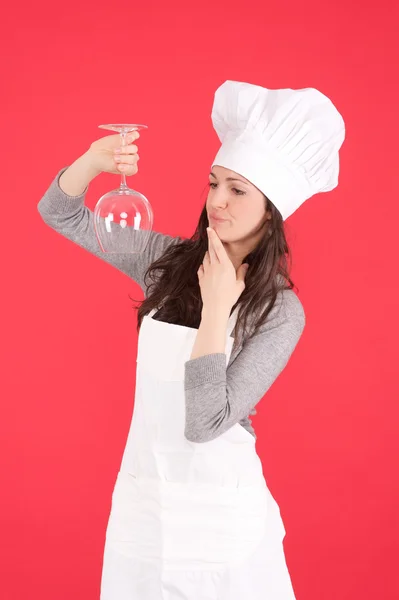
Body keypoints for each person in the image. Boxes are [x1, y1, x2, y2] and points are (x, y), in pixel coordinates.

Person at [37, 80, 345, 599]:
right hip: (144, 511)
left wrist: (219, 307)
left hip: (222, 527)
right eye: (213, 183)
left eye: (237, 189)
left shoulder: (279, 311)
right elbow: (59, 213)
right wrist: (92, 161)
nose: (216, 201)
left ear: (271, 208)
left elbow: (204, 424)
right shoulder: (166, 263)